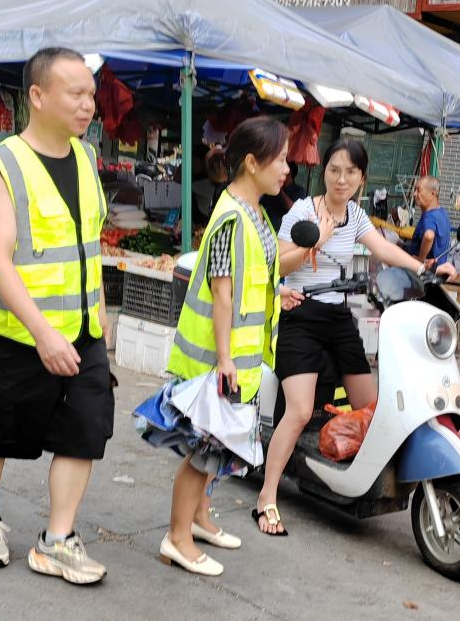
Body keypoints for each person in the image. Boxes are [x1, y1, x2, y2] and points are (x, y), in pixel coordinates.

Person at [255, 139, 455, 536]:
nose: (341, 179)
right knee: (298, 411)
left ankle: (349, 476)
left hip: (337, 316)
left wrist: (425, 269)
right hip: (300, 313)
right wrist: (316, 240)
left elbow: (384, 248)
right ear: (323, 172)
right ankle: (267, 497)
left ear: (362, 178)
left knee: (371, 406)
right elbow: (277, 262)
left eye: (350, 172)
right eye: (334, 169)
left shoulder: (357, 216)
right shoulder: (301, 211)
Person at [0, 48, 113, 584]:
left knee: (84, 431)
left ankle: (57, 540)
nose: (88, 105)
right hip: (18, 335)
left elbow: (87, 245)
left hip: (83, 331)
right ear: (38, 96)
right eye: (76, 93)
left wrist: (98, 313)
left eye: (91, 94)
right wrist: (43, 332)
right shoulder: (2, 165)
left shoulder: (86, 159)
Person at [153, 117, 290, 575]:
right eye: (282, 158)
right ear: (252, 163)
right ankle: (177, 537)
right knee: (203, 451)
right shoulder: (232, 216)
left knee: (218, 447)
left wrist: (278, 293)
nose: (287, 168)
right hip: (217, 361)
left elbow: (254, 279)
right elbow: (223, 289)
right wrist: (226, 359)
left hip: (240, 361)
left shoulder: (253, 210)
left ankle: (199, 518)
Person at [408, 176, 452, 265]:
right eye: (414, 190)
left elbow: (429, 236)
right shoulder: (442, 212)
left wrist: (420, 259)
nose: (415, 194)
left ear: (433, 193)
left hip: (426, 270)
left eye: (419, 190)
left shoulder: (430, 216)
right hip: (439, 264)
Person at [260, 161, 308, 233]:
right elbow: (260, 205)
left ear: (289, 172)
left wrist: (279, 189)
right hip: (268, 230)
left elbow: (292, 209)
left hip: (285, 232)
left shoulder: (299, 190)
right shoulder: (271, 189)